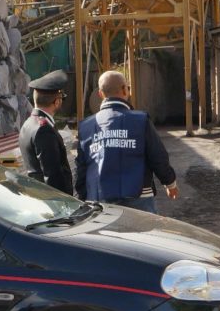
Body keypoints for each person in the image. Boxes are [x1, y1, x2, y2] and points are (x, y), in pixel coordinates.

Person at [75, 70, 178, 213]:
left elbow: (81, 167)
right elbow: (158, 156)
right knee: (142, 234)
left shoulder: (86, 126)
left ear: (100, 94)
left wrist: (83, 196)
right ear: (125, 90)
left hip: (99, 198)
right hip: (139, 197)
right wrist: (170, 182)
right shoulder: (141, 120)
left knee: (106, 236)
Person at [19, 69, 73, 195]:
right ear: (57, 101)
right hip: (52, 203)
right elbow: (52, 175)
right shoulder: (44, 130)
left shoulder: (29, 123)